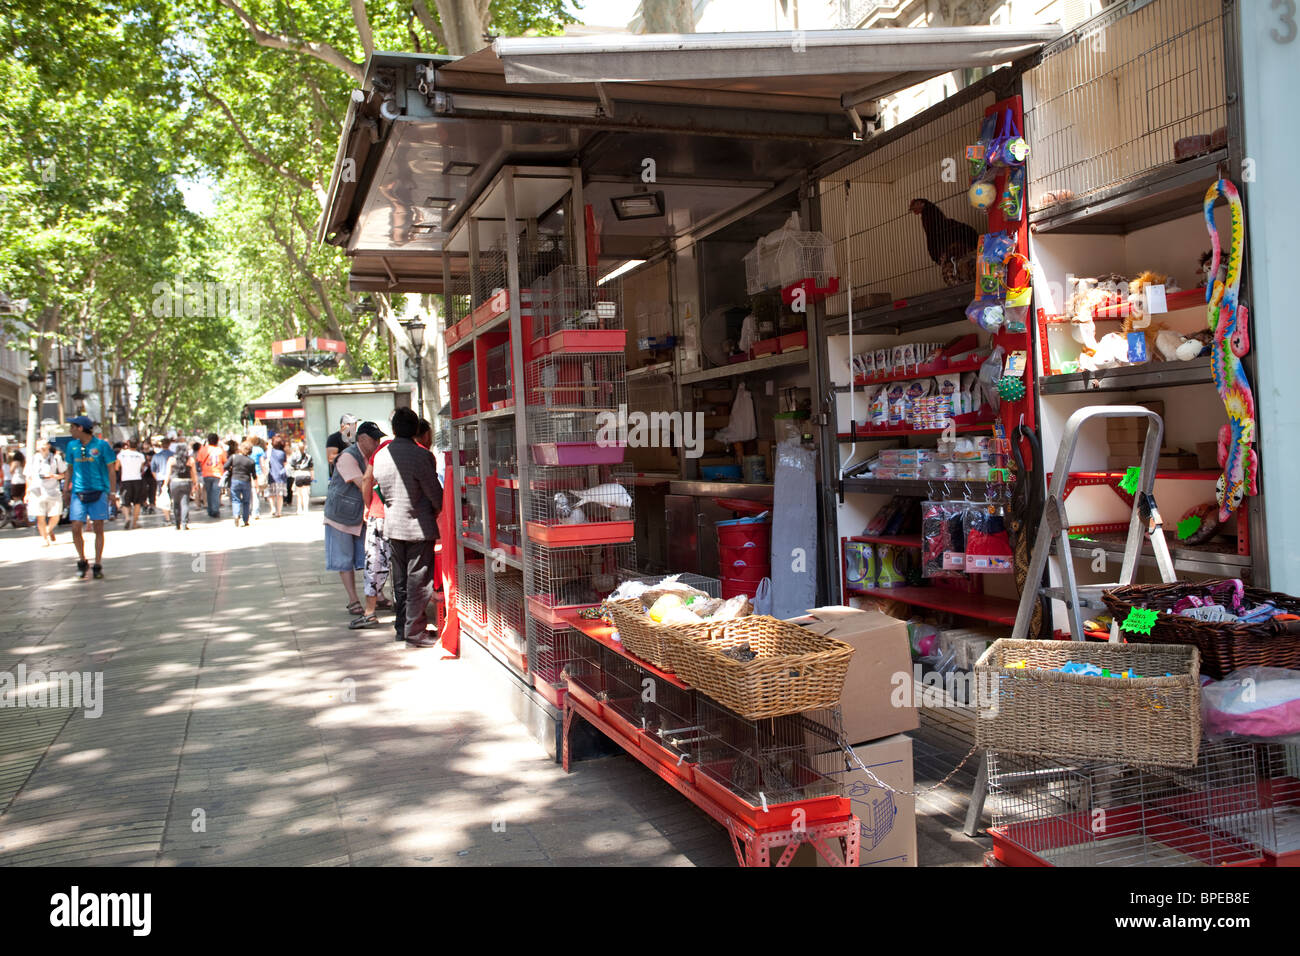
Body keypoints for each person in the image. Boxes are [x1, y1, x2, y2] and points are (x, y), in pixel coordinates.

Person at [372, 407, 443, 647]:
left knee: (400, 582)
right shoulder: (421, 456)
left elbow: (379, 490)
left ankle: (402, 627)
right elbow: (435, 494)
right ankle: (416, 631)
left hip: (392, 525)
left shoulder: (381, 456)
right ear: (415, 429)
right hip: (419, 526)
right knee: (419, 581)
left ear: (393, 429)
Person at [324, 421, 381, 619]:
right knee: (344, 560)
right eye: (374, 439)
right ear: (362, 439)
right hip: (340, 516)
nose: (377, 442)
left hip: (360, 515)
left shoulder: (371, 457)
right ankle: (353, 600)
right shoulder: (348, 457)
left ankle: (376, 595)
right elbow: (363, 483)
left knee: (369, 558)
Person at [350, 425, 395, 630]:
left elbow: (367, 478)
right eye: (373, 439)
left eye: (378, 438)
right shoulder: (418, 449)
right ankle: (408, 611)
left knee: (374, 562)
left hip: (379, 514)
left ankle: (369, 612)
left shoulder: (381, 450)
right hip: (404, 516)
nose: (376, 442)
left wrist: (369, 505)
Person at [64, 416, 116, 579]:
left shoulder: (101, 445)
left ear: (80, 428)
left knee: (98, 528)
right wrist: (66, 489)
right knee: (75, 527)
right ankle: (82, 560)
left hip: (98, 491)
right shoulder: (71, 446)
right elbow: (69, 469)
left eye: (72, 427)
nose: (70, 430)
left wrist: (112, 492)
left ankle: (98, 563)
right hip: (78, 493)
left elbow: (111, 469)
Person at [27, 440, 65, 546]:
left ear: (48, 446)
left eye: (44, 444)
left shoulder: (56, 458)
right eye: (39, 445)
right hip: (37, 491)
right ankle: (44, 538)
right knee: (40, 516)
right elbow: (28, 476)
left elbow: (64, 473)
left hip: (53, 490)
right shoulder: (33, 459)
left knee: (56, 515)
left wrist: (54, 476)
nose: (42, 447)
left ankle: (49, 530)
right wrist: (27, 492)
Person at [116, 438, 147, 529]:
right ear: (137, 444)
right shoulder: (140, 455)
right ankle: (134, 523)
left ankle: (127, 518)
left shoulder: (121, 455)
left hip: (125, 480)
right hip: (137, 480)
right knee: (137, 502)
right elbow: (142, 468)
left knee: (125, 502)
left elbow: (116, 467)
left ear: (128, 444)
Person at [224, 441, 257, 527]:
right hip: (246, 481)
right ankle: (245, 520)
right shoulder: (251, 461)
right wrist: (256, 485)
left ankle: (236, 515)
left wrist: (232, 469)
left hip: (235, 480)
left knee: (235, 499)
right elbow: (254, 475)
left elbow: (225, 466)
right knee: (246, 501)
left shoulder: (234, 457)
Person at [167, 441, 198, 530]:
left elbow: (168, 474)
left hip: (175, 482)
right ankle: (184, 523)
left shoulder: (171, 460)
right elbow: (194, 473)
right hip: (186, 482)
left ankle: (177, 524)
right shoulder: (190, 460)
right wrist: (195, 483)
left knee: (176, 504)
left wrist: (165, 484)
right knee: (185, 503)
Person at [196, 433, 226, 519]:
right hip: (217, 474)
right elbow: (224, 461)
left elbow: (199, 461)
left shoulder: (202, 450)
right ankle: (215, 510)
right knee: (216, 493)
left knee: (208, 492)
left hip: (206, 474)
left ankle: (210, 510)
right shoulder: (220, 450)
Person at [326, 413, 357, 478]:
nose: (354, 426)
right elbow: (331, 458)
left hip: (356, 475)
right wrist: (351, 456)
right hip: (339, 478)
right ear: (342, 425)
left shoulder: (358, 438)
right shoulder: (334, 438)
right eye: (350, 424)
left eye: (355, 423)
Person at [150, 436, 173, 523]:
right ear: (169, 444)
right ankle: (170, 514)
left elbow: (153, 469)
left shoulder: (156, 456)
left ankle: (167, 517)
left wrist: (157, 478)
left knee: (163, 497)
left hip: (160, 479)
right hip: (171, 478)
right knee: (171, 497)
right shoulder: (173, 454)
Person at [288, 440, 314, 514]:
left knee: (299, 494)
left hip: (298, 474)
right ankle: (306, 509)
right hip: (307, 474)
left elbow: (291, 466)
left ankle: (299, 509)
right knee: (306, 493)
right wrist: (312, 476)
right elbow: (311, 467)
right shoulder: (309, 456)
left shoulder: (294, 456)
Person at [266, 435, 288, 517]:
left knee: (271, 494)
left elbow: (264, 460)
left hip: (271, 474)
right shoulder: (282, 453)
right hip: (281, 476)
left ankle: (273, 508)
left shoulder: (269, 452)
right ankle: (279, 511)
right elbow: (285, 464)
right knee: (280, 495)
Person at [248, 435, 267, 520]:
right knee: (256, 492)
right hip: (257, 472)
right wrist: (265, 473)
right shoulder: (260, 450)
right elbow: (262, 463)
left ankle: (248, 510)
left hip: (247, 472)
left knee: (248, 493)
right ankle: (255, 512)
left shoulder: (247, 449)